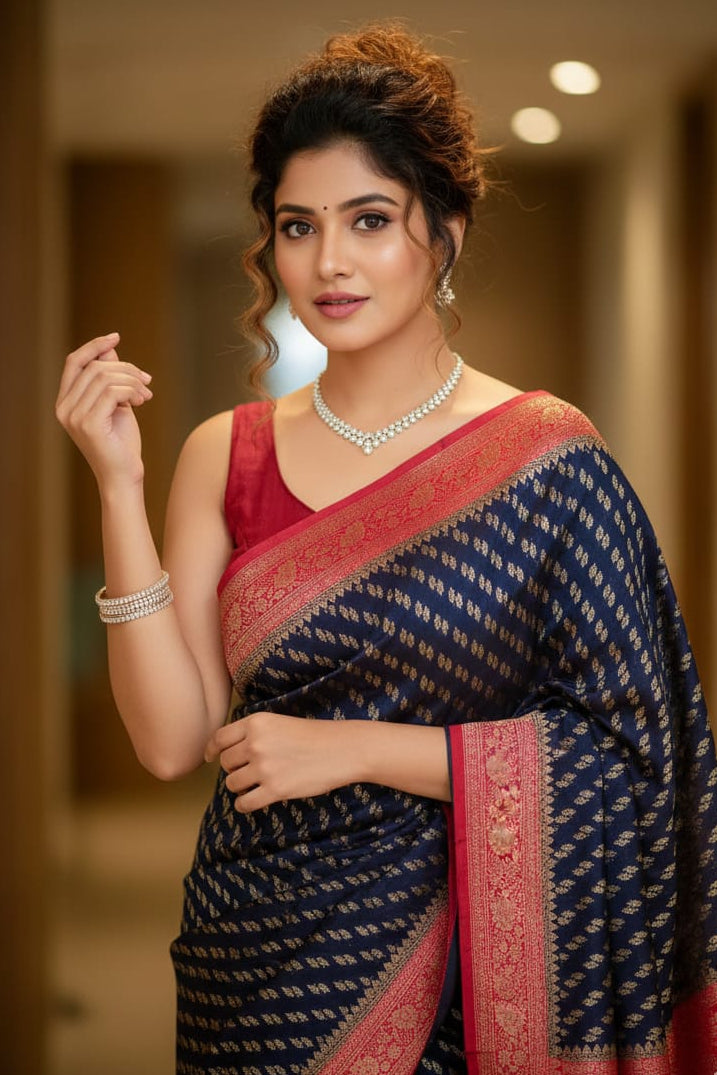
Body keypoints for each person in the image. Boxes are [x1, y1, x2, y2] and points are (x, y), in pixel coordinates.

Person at [55, 22, 717, 1075]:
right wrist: (118, 485)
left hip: (474, 974)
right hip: (259, 951)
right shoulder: (225, 453)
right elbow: (173, 742)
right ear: (268, 244)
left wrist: (356, 749)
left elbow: (639, 758)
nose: (329, 262)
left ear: (443, 230)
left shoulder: (549, 461)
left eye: (370, 220)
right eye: (297, 225)